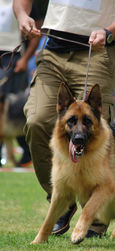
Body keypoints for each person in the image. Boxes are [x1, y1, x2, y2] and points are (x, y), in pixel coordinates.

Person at [13, 0, 115, 237]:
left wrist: (108, 31)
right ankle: (61, 198)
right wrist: (23, 17)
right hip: (52, 51)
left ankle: (96, 219)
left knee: (97, 131)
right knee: (37, 120)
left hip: (98, 50)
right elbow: (22, 3)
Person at [0, 0, 42, 167]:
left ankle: (26, 154)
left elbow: (37, 28)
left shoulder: (24, 2)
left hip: (14, 57)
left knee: (17, 110)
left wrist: (25, 59)